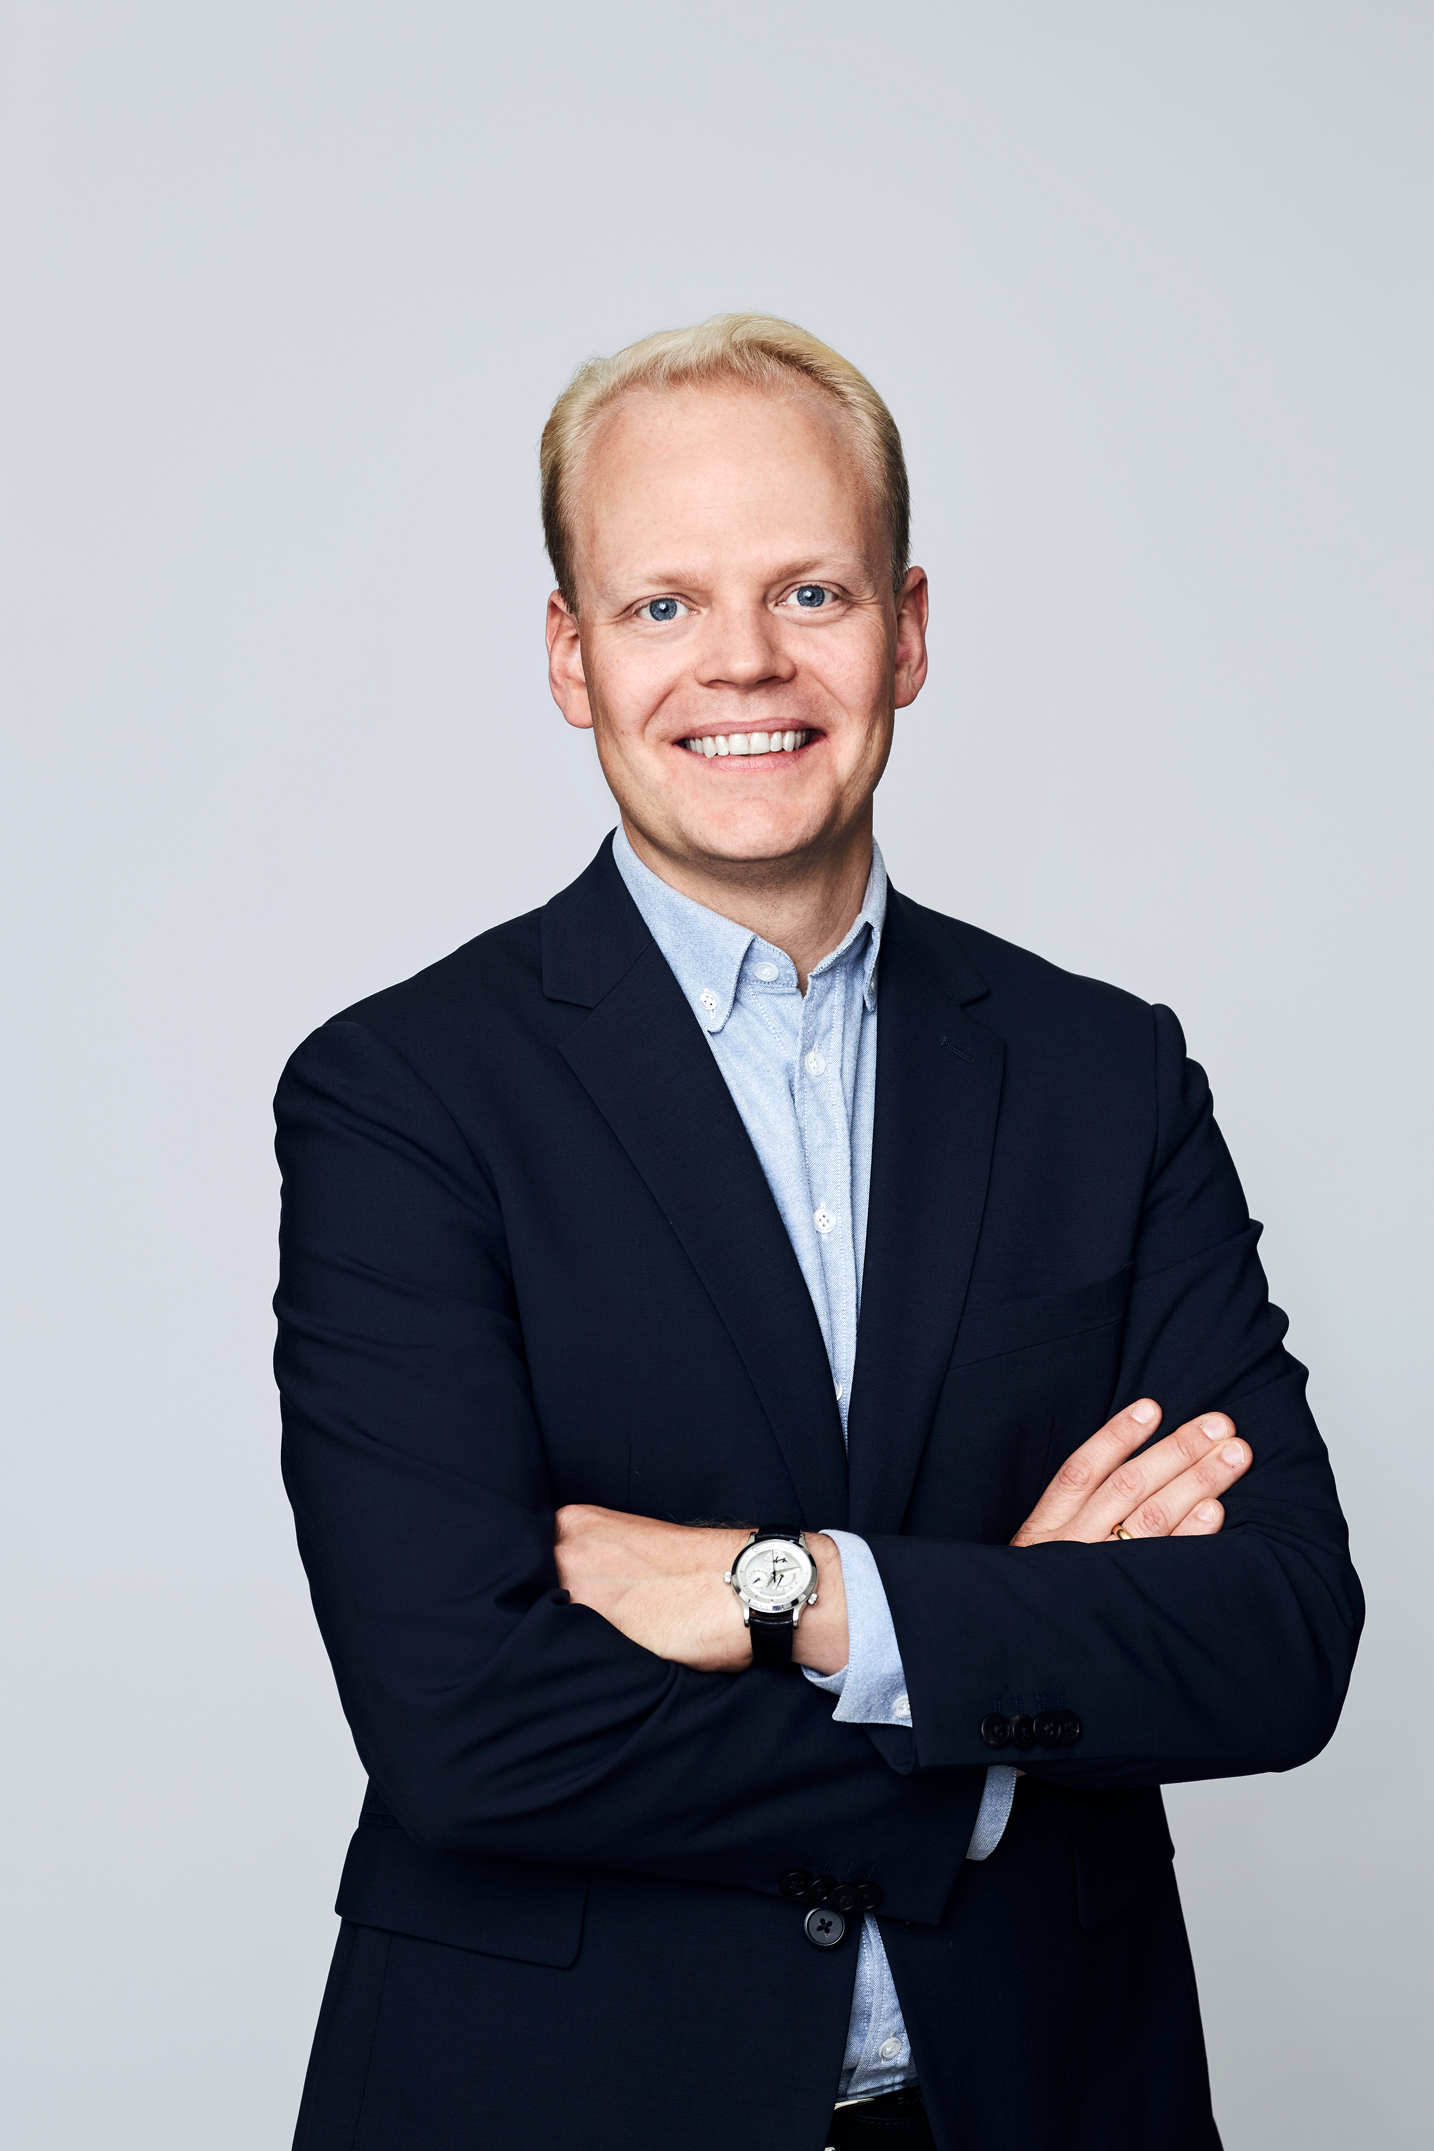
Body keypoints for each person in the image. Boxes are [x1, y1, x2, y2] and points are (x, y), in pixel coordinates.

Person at [274, 314, 1361, 2151]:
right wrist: (994, 1701)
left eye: (810, 592)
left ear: (905, 630)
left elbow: (1273, 1634)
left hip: (1043, 2095)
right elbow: (465, 1723)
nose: (745, 664)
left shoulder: (1104, 1076)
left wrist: (792, 1592)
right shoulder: (401, 1095)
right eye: (663, 605)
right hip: (558, 2101)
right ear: (571, 655)